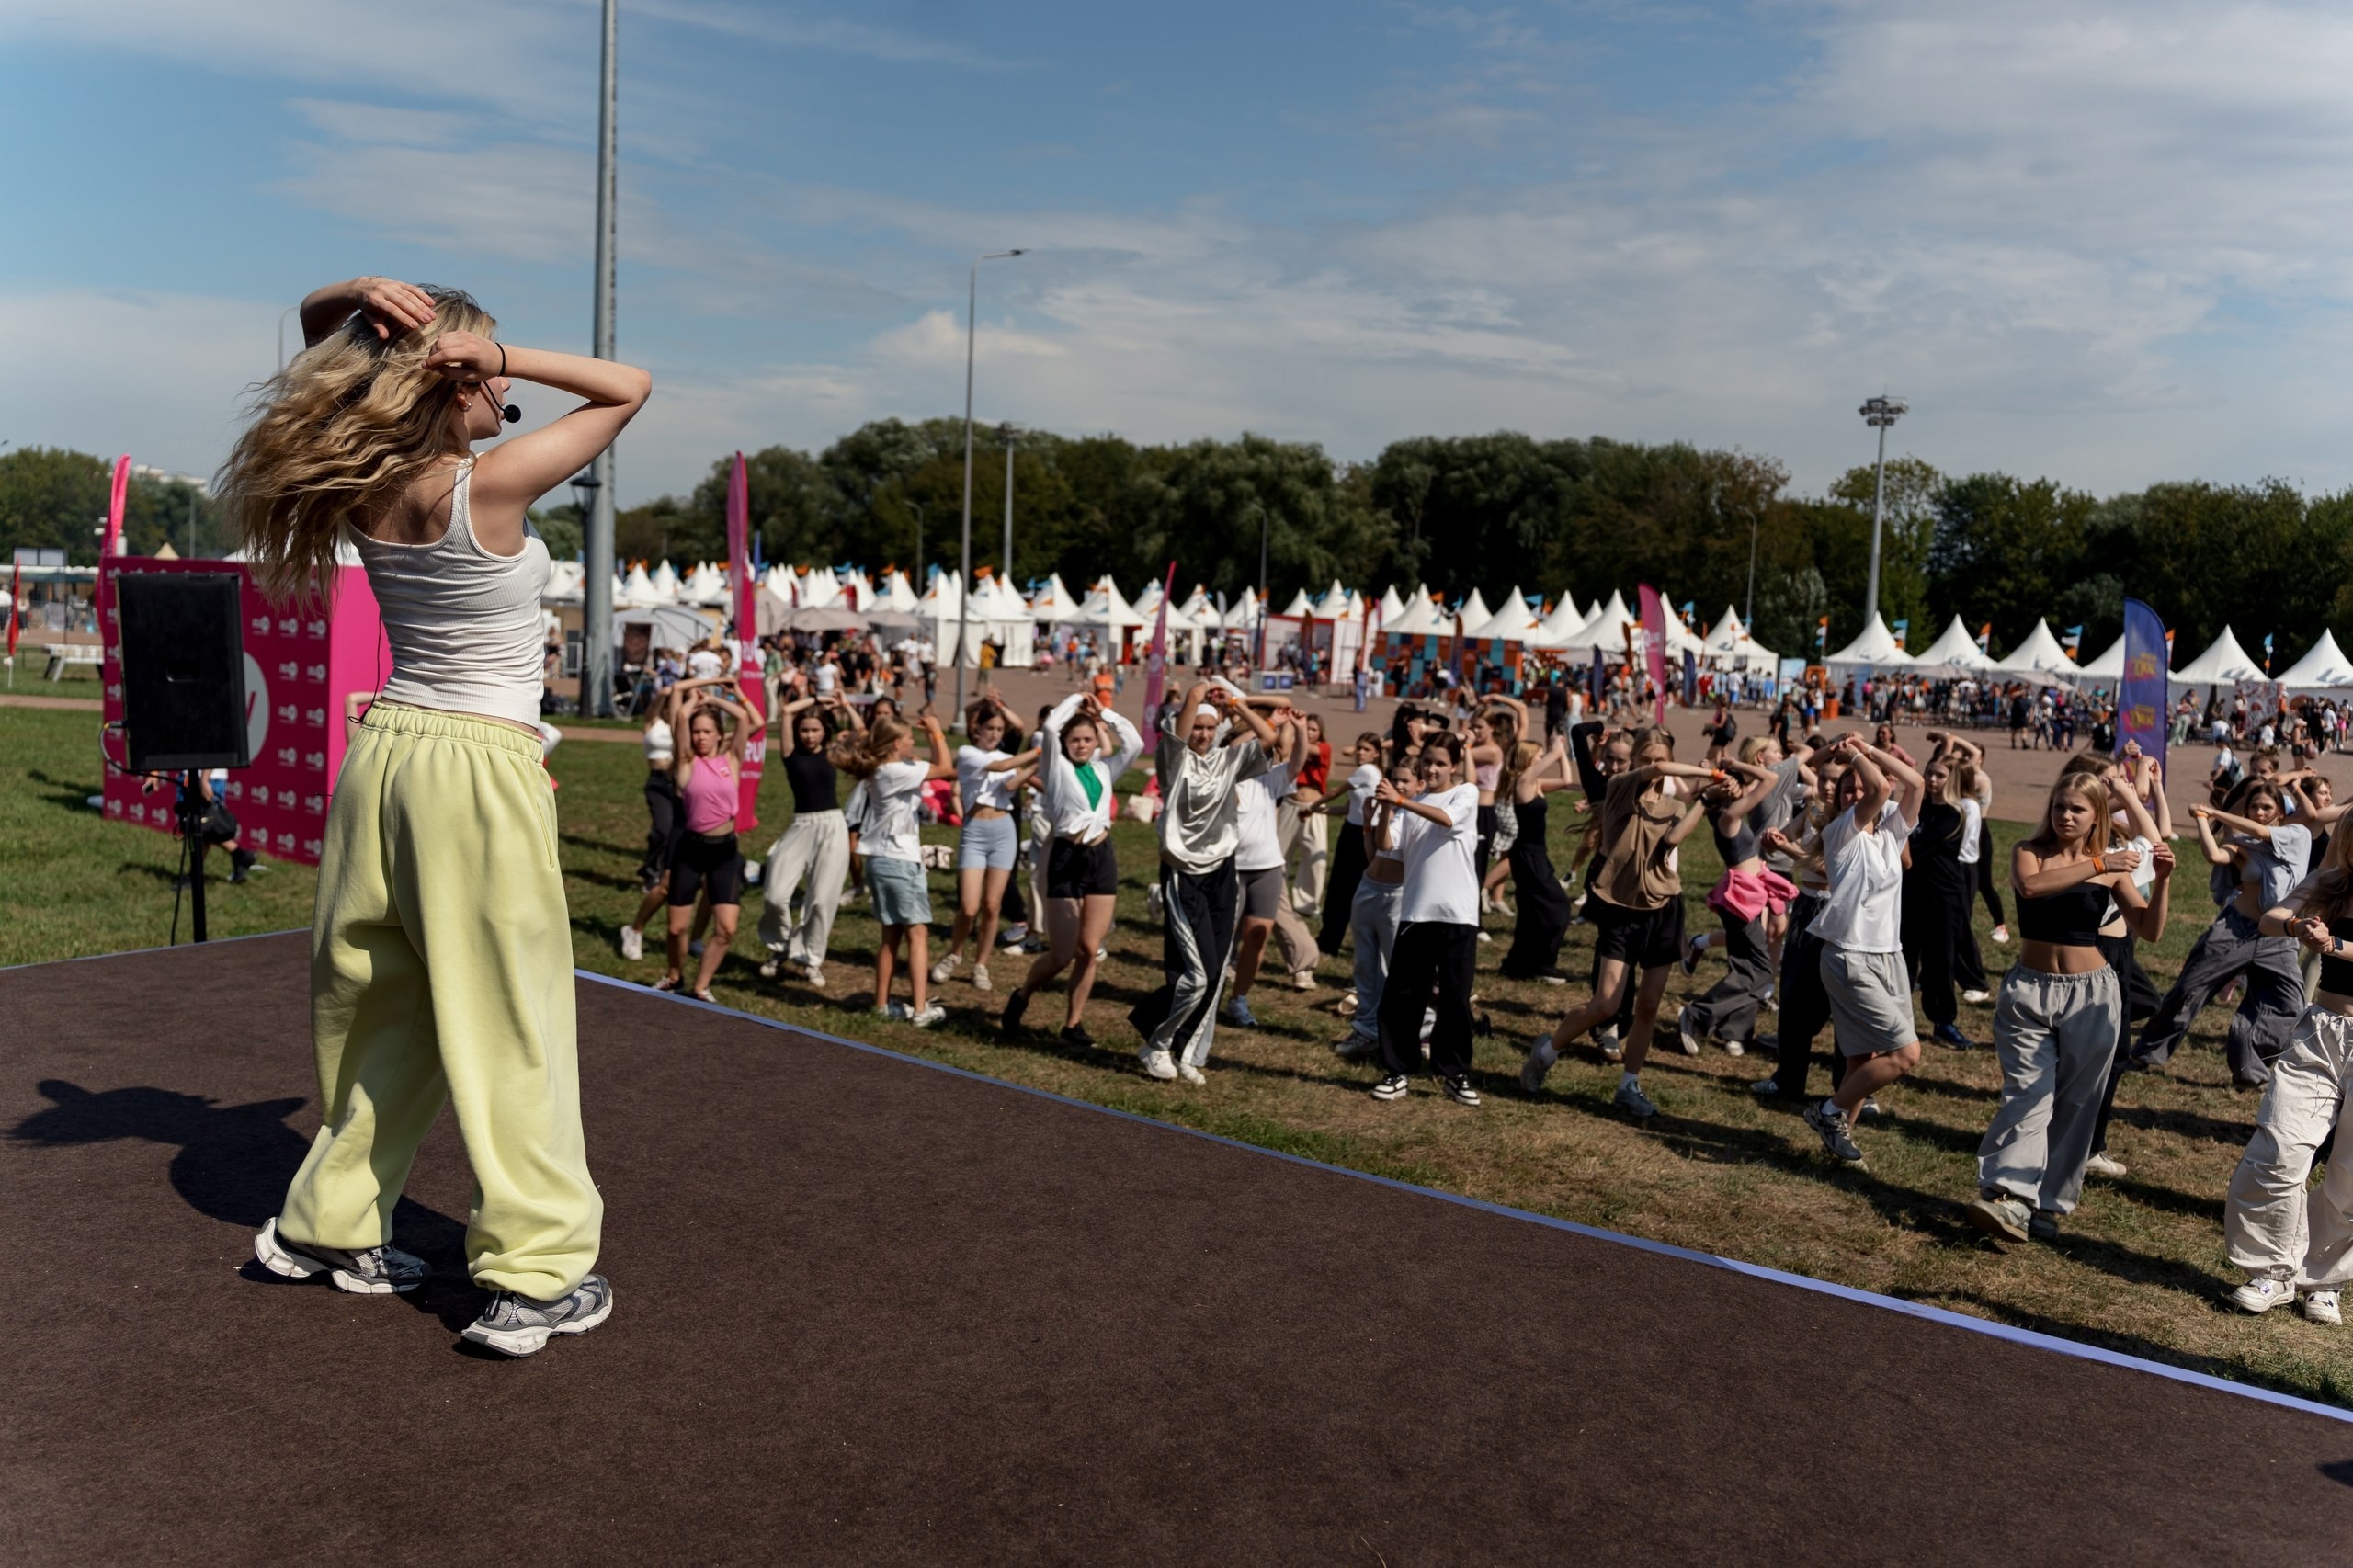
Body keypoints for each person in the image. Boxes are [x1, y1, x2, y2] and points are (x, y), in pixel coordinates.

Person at [234, 274, 648, 1355]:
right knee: (512, 1023)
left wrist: (347, 296)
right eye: (488, 386)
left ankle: (327, 1225)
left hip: (385, 755)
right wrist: (500, 361)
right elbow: (627, 387)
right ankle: (537, 1272)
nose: (501, 408)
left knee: (379, 1006)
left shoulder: (355, 476)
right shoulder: (489, 484)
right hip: (476, 769)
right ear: (448, 381)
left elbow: (319, 344)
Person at [1967, 776, 2171, 1242]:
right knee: (2028, 1094)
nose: (2065, 817)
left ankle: (2048, 1203)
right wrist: (2099, 861)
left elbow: (2150, 929)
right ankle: (2010, 1195)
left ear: (2096, 815)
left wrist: (2162, 883)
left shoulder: (2114, 865)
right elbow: (2032, 888)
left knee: (2077, 1103)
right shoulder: (2029, 851)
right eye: (2059, 807)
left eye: (2077, 810)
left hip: (2093, 994)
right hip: (2029, 992)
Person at [1518, 728, 1719, 1118]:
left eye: (1657, 760)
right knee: (1605, 1003)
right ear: (1635, 762)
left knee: (1647, 1007)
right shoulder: (1619, 788)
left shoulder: (1673, 803)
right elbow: (1659, 768)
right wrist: (1706, 774)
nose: (1653, 768)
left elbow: (1674, 839)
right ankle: (1546, 1051)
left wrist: (1706, 801)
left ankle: (1630, 1084)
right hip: (1621, 909)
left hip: (1664, 909)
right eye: (1645, 759)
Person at [2226, 831, 2353, 1322]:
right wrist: (2299, 925)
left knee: (2350, 1173)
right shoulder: (2332, 881)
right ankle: (2272, 1271)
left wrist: (2334, 943)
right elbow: (2270, 917)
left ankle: (2326, 1281)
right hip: (2320, 1031)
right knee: (2279, 1148)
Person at [1130, 683, 1276, 1082]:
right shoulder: (1174, 760)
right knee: (1193, 973)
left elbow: (1269, 737)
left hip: (1223, 872)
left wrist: (1236, 705)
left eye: (1210, 729)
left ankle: (1186, 1052)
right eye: (1198, 727)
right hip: (1183, 873)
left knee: (1213, 972)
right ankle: (1154, 1042)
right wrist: (1197, 694)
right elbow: (1183, 724)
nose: (1203, 735)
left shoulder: (1229, 759)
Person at [2128, 783, 2312, 1088]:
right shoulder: (2243, 843)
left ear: (2280, 811)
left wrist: (2216, 812)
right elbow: (2215, 855)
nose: (2260, 813)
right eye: (2255, 807)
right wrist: (2202, 819)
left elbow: (2265, 833)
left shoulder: (2297, 836)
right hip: (2235, 929)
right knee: (2188, 988)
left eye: (2267, 807)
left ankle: (2249, 1070)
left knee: (2286, 1004)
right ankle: (2145, 1053)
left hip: (2278, 936)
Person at [1800, 733, 1927, 1164]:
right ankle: (1828, 1110)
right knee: (1906, 1053)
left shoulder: (1890, 833)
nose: (1856, 793)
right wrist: (1855, 754)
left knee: (1861, 1060)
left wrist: (1870, 752)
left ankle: (1839, 1142)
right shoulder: (1841, 833)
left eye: (1860, 786)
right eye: (1847, 788)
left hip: (1889, 955)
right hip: (1848, 955)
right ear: (1838, 799)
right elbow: (1883, 788)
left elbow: (1917, 784)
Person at [1001, 693, 1144, 1046]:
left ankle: (1072, 1025)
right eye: (1075, 740)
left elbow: (1136, 742)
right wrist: (1078, 699)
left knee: (1088, 950)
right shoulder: (1057, 767)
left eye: (1087, 739)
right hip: (1066, 856)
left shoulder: (1103, 769)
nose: (1081, 745)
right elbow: (1050, 726)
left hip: (1101, 859)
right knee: (1062, 954)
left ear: (1096, 742)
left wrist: (1103, 713)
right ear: (1065, 743)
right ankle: (1022, 995)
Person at [1370, 733, 1483, 1106]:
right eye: (1427, 763)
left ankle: (1454, 1073)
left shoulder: (1465, 794)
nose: (1432, 769)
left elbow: (1446, 819)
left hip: (1458, 915)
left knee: (1454, 998)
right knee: (1404, 996)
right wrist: (1388, 806)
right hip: (1417, 913)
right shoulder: (1410, 804)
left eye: (1439, 763)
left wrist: (1400, 800)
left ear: (1453, 765)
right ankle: (1397, 1070)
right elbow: (1387, 845)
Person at [837, 711, 954, 1027]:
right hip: (900, 861)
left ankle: (880, 1004)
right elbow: (946, 769)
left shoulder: (885, 769)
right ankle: (919, 1010)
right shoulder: (895, 771)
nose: (912, 742)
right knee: (918, 934)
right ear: (894, 744)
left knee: (890, 937)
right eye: (907, 739)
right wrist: (937, 732)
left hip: (880, 860)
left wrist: (919, 747)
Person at [1676, 755, 1792, 1055]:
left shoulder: (1729, 814)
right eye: (1726, 783)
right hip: (1742, 901)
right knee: (1762, 973)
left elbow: (1759, 782)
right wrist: (1735, 765)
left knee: (1747, 969)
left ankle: (1728, 1029)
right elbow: (1770, 779)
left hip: (1746, 898)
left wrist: (1725, 773)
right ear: (1718, 795)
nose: (1734, 784)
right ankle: (1697, 1013)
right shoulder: (1728, 819)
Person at [654, 675, 761, 1001]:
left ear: (719, 735)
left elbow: (746, 717)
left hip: (725, 852)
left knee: (726, 929)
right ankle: (675, 976)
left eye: (707, 732)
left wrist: (718, 698)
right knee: (676, 929)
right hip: (690, 849)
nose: (700, 738)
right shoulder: (686, 764)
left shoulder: (731, 759)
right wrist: (693, 703)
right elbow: (681, 719)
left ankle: (701, 986)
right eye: (697, 732)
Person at [1226, 699, 1321, 1026]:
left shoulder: (1271, 779)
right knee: (1223, 938)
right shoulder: (1224, 773)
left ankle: (1239, 999)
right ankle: (1205, 996)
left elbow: (1298, 759)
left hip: (1266, 867)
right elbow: (1239, 745)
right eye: (1256, 746)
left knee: (1257, 935)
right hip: (1230, 867)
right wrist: (1253, 721)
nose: (1262, 751)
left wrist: (1296, 726)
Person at [929, 697, 1033, 993]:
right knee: (969, 907)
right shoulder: (968, 753)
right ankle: (955, 953)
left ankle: (981, 964)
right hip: (975, 832)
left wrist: (1038, 764)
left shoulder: (1004, 756)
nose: (995, 734)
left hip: (1003, 832)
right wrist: (1039, 750)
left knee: (992, 905)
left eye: (999, 729)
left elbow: (1011, 784)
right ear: (977, 729)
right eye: (989, 728)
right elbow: (1001, 766)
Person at [756, 694, 858, 989]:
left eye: (815, 729)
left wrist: (846, 705)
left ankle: (812, 959)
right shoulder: (790, 753)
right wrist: (815, 699)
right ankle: (782, 947)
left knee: (822, 900)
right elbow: (786, 710)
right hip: (800, 826)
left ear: (824, 730)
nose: (809, 735)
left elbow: (861, 732)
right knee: (775, 894)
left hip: (832, 826)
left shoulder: (832, 753)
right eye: (805, 730)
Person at [1336, 758, 1415, 1062]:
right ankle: (1366, 1030)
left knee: (1395, 968)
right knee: (1365, 965)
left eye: (1406, 781)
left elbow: (1391, 845)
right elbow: (1374, 856)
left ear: (1419, 785)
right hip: (1368, 888)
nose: (1398, 785)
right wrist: (1368, 823)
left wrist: (1386, 813)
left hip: (1396, 897)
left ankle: (1405, 1030)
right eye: (1394, 779)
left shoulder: (1414, 816)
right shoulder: (1390, 810)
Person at [1496, 732, 1578, 982]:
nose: (1543, 759)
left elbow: (1566, 779)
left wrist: (1561, 750)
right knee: (1557, 908)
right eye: (1539, 756)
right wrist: (1555, 748)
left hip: (1536, 854)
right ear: (1528, 759)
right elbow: (1550, 760)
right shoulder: (1521, 782)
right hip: (1527, 854)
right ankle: (1542, 965)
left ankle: (1520, 965)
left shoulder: (1535, 784)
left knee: (1531, 911)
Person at [1307, 731, 1386, 957]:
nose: (1360, 753)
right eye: (1359, 747)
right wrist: (1323, 812)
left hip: (1359, 836)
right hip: (1354, 830)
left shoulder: (1367, 771)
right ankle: (1330, 938)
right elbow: (1349, 809)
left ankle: (1330, 940)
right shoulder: (1368, 773)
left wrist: (1312, 806)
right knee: (1346, 889)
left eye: (1366, 749)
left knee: (1342, 889)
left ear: (1376, 754)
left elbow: (1335, 791)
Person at [617, 694, 680, 961]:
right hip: (656, 781)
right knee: (663, 830)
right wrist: (664, 694)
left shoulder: (680, 723)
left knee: (671, 833)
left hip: (676, 781)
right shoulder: (653, 722)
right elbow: (652, 709)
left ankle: (654, 870)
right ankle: (651, 871)